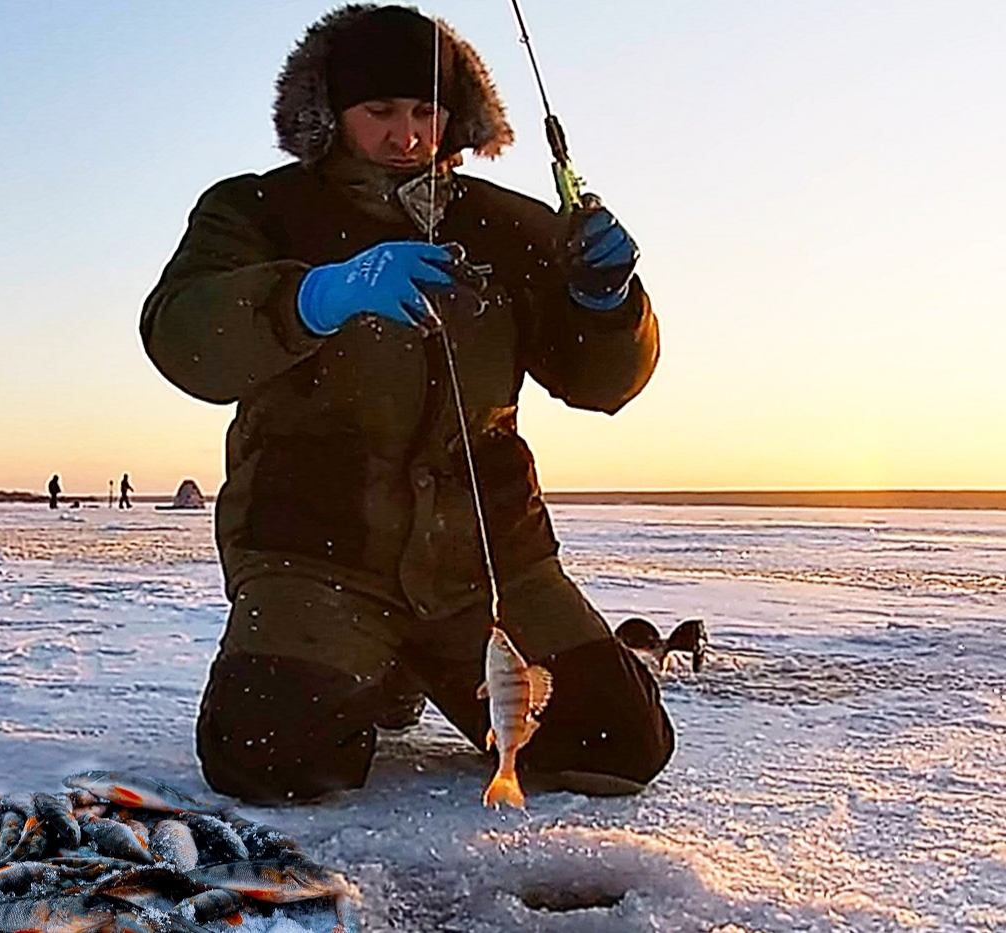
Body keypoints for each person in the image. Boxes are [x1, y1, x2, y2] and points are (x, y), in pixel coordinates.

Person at [141, 4, 670, 804]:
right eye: (380, 110)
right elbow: (182, 336)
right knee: (270, 759)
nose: (407, 136)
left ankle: (438, 662)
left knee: (618, 746)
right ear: (328, 112)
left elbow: (602, 384)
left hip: (489, 560)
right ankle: (374, 670)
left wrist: (607, 302)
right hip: (316, 552)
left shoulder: (508, 223)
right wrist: (316, 296)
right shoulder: (255, 210)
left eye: (426, 111)